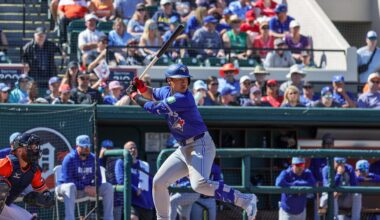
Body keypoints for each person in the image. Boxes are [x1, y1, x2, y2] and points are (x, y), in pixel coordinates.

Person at [126, 63, 258, 220]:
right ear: (169, 81)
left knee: (199, 184)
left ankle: (245, 199)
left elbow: (155, 108)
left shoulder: (184, 97)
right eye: (179, 79)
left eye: (186, 79)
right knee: (158, 182)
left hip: (200, 144)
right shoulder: (165, 91)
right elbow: (151, 93)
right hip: (183, 148)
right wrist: (141, 87)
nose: (184, 82)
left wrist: (134, 96)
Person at [56, 134, 114, 220]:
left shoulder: (93, 158)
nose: (86, 149)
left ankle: (109, 218)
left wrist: (94, 187)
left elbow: (99, 178)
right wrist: (85, 187)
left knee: (108, 187)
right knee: (70, 186)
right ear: (77, 146)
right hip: (65, 189)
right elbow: (67, 179)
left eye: (87, 146)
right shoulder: (69, 158)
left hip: (85, 189)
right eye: (83, 146)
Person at [0, 133, 54, 219]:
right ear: (19, 150)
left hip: (4, 208)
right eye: (31, 147)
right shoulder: (7, 164)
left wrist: (46, 198)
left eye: (35, 147)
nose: (35, 150)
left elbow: (44, 191)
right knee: (2, 185)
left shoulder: (34, 170)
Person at [115, 141, 154, 220]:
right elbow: (121, 180)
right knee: (133, 218)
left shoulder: (144, 165)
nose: (133, 150)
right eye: (130, 148)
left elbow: (151, 182)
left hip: (146, 202)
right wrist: (135, 189)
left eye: (135, 148)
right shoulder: (121, 163)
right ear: (124, 151)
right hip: (131, 200)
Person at [98, 139, 122, 220]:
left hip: (116, 199)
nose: (108, 151)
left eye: (110, 148)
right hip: (101, 199)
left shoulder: (117, 161)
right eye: (106, 148)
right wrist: (100, 157)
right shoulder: (98, 160)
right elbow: (98, 170)